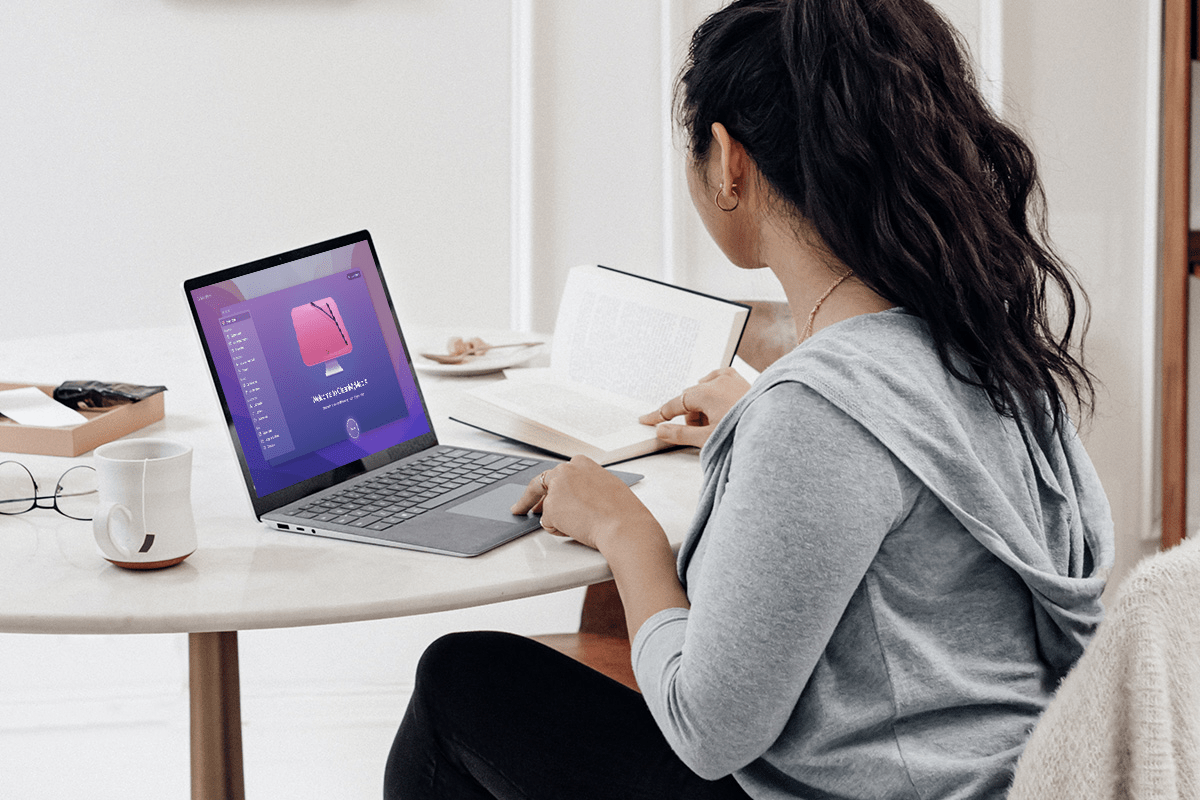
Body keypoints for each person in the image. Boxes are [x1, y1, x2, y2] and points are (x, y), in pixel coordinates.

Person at [383, 0, 1114, 797]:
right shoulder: (988, 352)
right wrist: (756, 423)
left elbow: (708, 730)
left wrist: (624, 531)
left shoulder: (820, 415)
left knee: (461, 679)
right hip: (1007, 772)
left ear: (729, 162)